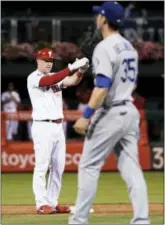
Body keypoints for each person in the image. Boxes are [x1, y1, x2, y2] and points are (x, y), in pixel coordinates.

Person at [69, 2, 149, 224]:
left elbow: (102, 86)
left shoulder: (104, 47)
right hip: (130, 110)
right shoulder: (129, 47)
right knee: (131, 168)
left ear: (104, 19)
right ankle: (142, 219)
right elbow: (131, 85)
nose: (97, 19)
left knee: (89, 165)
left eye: (99, 15)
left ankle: (79, 220)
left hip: (111, 111)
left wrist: (86, 116)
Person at [27, 48, 89, 214]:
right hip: (42, 126)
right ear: (37, 61)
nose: (48, 63)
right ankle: (41, 204)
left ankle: (52, 203)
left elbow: (71, 81)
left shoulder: (56, 77)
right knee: (42, 166)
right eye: (45, 60)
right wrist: (71, 66)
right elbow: (50, 80)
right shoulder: (33, 78)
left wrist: (81, 71)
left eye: (51, 61)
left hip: (57, 126)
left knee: (58, 167)